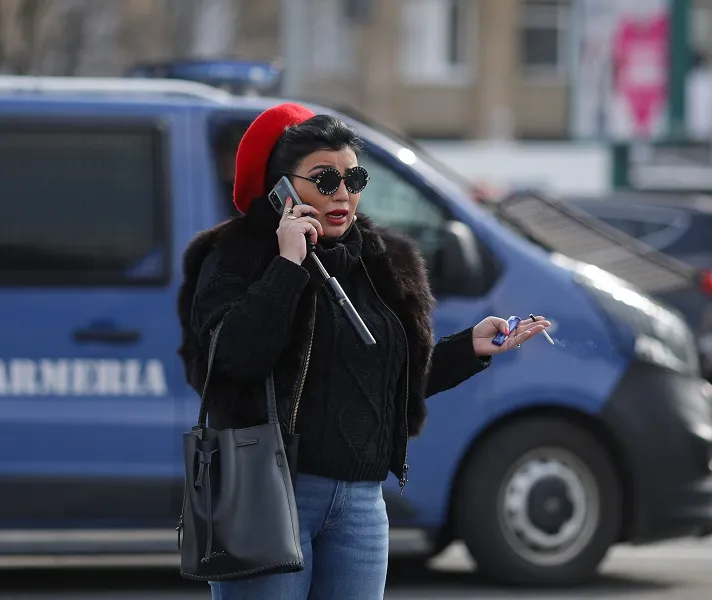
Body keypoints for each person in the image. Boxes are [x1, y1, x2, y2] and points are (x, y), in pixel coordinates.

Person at [176, 102, 552, 600]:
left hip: (360, 504)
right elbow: (234, 360)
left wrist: (469, 349)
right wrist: (287, 266)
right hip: (269, 493)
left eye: (354, 180)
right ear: (280, 187)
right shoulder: (232, 258)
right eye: (325, 179)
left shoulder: (384, 263)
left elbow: (387, 381)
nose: (342, 195)